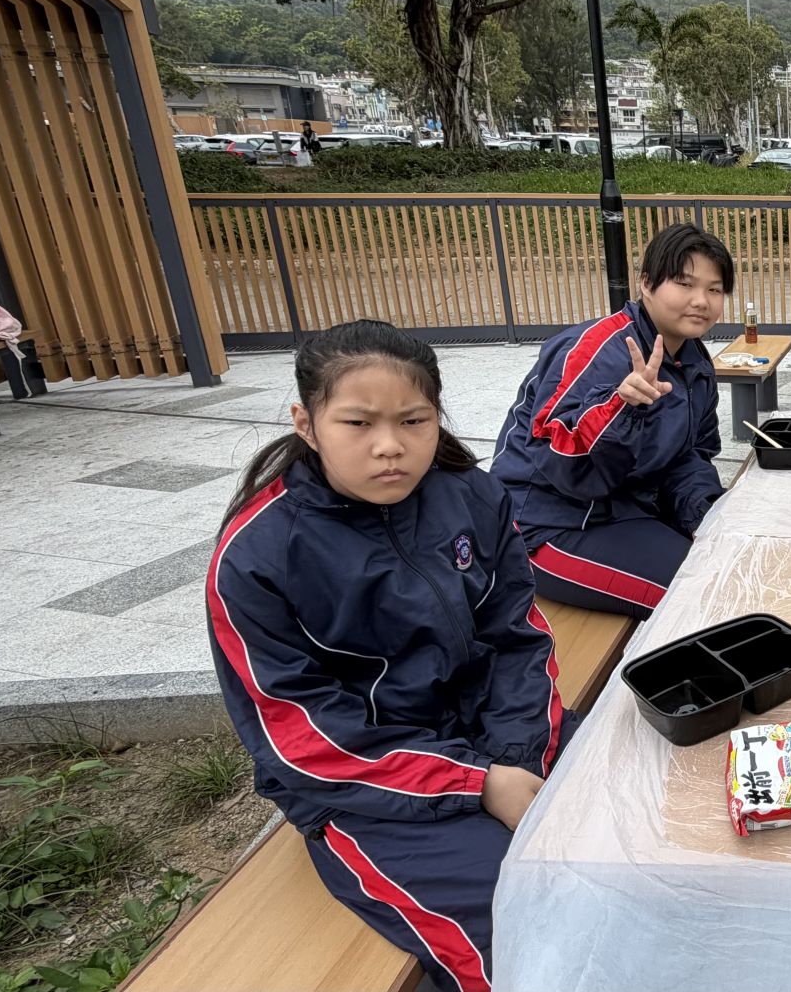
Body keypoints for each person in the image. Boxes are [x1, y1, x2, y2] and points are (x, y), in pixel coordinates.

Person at [207, 320, 571, 991]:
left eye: (413, 420)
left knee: (637, 813)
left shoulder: (469, 494)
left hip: (494, 740)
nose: (390, 447)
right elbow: (302, 743)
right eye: (358, 423)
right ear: (306, 423)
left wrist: (516, 760)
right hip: (366, 789)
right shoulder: (258, 557)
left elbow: (518, 638)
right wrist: (479, 784)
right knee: (521, 922)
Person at [491, 223, 731, 617]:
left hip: (624, 510)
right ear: (647, 284)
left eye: (715, 289)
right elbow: (563, 462)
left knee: (734, 563)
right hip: (549, 526)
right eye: (684, 284)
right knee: (704, 598)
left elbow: (691, 457)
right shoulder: (593, 349)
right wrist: (621, 406)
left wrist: (706, 515)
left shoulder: (695, 362)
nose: (701, 300)